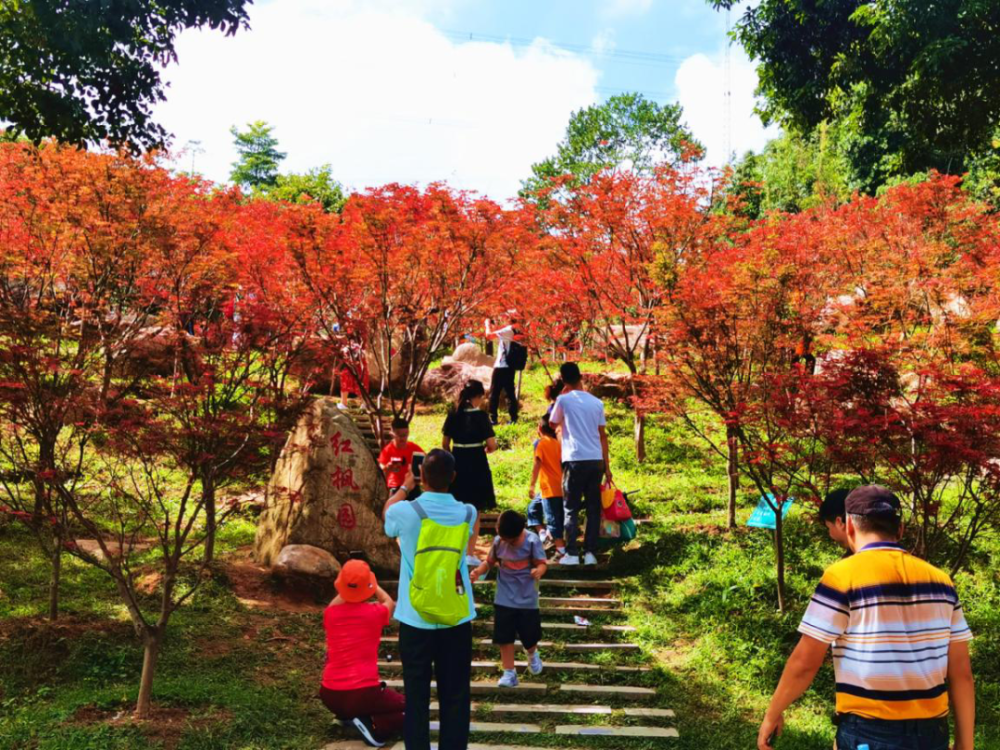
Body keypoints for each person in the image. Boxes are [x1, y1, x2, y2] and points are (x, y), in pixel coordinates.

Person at [757, 485, 975, 750]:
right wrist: (965, 743)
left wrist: (772, 713)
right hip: (932, 732)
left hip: (870, 731)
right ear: (900, 529)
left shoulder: (842, 576)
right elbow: (961, 673)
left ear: (849, 525)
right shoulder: (941, 581)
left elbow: (805, 661)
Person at [383, 451, 477, 750]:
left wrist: (405, 485)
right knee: (456, 694)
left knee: (417, 695)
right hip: (456, 615)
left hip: (415, 616)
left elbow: (387, 516)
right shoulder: (468, 513)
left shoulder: (405, 512)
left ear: (422, 475)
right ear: (454, 477)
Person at [319, 560, 404, 748]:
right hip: (362, 694)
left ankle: (349, 715)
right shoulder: (375, 613)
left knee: (356, 703)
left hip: (330, 695)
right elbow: (388, 601)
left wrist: (352, 587)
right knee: (408, 707)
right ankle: (374, 725)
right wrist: (374, 586)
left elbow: (335, 603)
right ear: (369, 587)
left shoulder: (330, 614)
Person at [471, 510, 547, 687]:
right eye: (502, 537)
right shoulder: (499, 542)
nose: (506, 542)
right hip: (504, 597)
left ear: (520, 532)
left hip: (527, 599)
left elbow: (542, 563)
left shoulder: (532, 541)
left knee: (529, 635)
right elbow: (489, 562)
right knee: (504, 637)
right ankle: (509, 672)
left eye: (510, 540)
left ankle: (532, 654)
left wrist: (539, 571)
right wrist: (478, 572)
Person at [548, 362, 611, 567]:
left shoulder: (563, 400)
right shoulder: (596, 402)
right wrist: (607, 467)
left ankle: (572, 553)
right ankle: (590, 553)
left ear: (563, 379)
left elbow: (551, 423)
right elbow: (603, 436)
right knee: (593, 507)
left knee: (571, 507)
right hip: (596, 460)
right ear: (581, 376)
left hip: (574, 459)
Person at [442, 380, 498, 565]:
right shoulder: (481, 416)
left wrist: (452, 460)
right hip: (477, 463)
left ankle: (454, 550)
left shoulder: (453, 414)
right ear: (477, 396)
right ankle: (469, 553)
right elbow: (492, 445)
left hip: (458, 462)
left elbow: (444, 444)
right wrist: (487, 449)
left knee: (457, 507)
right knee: (475, 510)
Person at [527, 413, 565, 557]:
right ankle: (554, 542)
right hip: (560, 487)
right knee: (557, 518)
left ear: (539, 428)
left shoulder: (542, 443)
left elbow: (537, 463)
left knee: (553, 520)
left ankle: (561, 551)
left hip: (549, 488)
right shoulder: (557, 444)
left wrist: (531, 485)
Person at [484, 313, 520, 425]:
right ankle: (514, 418)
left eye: (505, 317)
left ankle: (493, 418)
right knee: (510, 393)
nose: (502, 319)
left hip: (501, 366)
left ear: (509, 318)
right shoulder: (518, 330)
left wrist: (487, 324)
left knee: (494, 392)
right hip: (510, 366)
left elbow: (489, 336)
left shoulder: (508, 330)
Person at [378, 418, 425, 500]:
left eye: (405, 434)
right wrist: (388, 467)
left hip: (412, 486)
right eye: (399, 435)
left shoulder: (414, 448)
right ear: (392, 434)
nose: (402, 438)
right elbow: (381, 471)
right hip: (395, 487)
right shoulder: (387, 450)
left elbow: (427, 461)